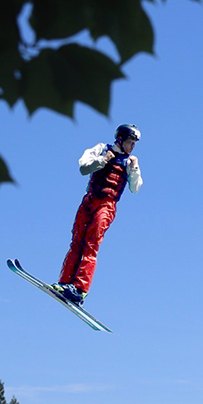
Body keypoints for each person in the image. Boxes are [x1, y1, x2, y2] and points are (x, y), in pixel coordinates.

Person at [52, 124, 143, 306]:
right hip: (89, 200)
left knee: (91, 243)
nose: (131, 147)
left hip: (107, 205)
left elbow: (135, 188)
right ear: (120, 139)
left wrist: (133, 169)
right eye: (129, 142)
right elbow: (84, 168)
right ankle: (65, 283)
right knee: (77, 241)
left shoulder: (130, 161)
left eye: (133, 144)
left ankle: (80, 289)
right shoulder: (102, 149)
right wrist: (103, 160)